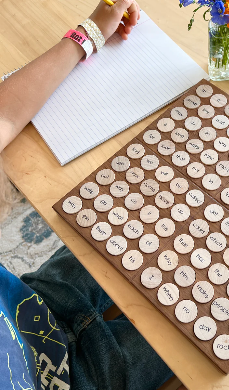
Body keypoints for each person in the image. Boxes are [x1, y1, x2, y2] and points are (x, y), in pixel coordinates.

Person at [0, 1, 179, 389]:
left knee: (146, 210)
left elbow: (6, 115)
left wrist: (89, 34)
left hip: (35, 307)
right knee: (212, 309)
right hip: (79, 380)